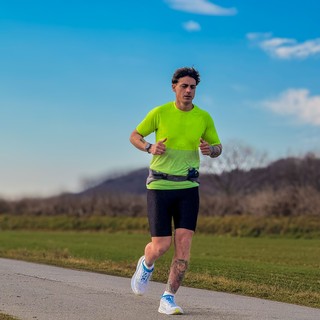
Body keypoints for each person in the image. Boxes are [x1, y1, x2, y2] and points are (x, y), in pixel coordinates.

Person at [129, 67, 222, 315]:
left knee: (184, 245)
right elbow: (134, 135)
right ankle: (146, 264)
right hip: (160, 186)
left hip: (188, 187)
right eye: (184, 86)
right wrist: (149, 147)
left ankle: (167, 298)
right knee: (160, 246)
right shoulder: (160, 113)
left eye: (193, 87)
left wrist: (210, 150)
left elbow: (218, 146)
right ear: (174, 87)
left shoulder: (203, 117)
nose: (189, 91)